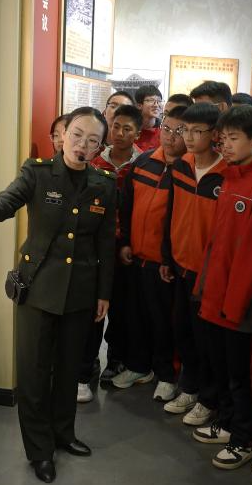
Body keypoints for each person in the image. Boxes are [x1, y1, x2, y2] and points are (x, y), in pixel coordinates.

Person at [0, 107, 116, 484]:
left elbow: (105, 242)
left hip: (80, 292)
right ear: (63, 135)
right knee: (34, 373)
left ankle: (64, 434)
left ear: (100, 147)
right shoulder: (37, 172)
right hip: (37, 289)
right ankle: (39, 450)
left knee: (68, 370)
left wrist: (104, 292)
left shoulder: (104, 183)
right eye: (77, 135)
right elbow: (8, 202)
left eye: (92, 140)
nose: (82, 145)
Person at [194, 105, 252, 470]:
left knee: (243, 376)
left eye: (233, 138)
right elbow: (219, 241)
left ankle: (244, 438)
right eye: (223, 138)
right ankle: (229, 422)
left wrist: (234, 302)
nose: (225, 145)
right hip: (217, 292)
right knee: (223, 369)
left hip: (241, 303)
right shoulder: (231, 175)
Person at [114, 106, 188, 400]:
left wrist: (169, 259)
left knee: (163, 322)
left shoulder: (188, 170)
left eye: (179, 131)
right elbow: (127, 206)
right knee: (135, 317)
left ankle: (167, 375)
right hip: (136, 256)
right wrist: (125, 242)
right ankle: (138, 366)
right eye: (166, 129)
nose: (170, 137)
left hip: (165, 264)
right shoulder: (144, 162)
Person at [160, 102, 225, 423]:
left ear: (215, 134)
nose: (188, 137)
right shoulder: (181, 166)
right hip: (180, 265)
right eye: (185, 130)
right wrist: (166, 256)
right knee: (182, 330)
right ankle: (189, 387)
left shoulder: (226, 174)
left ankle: (208, 399)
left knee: (207, 340)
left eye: (197, 131)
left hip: (208, 273)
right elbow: (170, 212)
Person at [90, 104, 144, 387]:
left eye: (127, 129)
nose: (120, 133)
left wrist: (128, 241)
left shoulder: (143, 164)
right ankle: (90, 360)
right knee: (95, 306)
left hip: (127, 247)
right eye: (116, 127)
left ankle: (116, 359)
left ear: (138, 133)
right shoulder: (95, 162)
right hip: (98, 246)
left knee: (122, 308)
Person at [134, 85, 163, 152]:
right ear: (139, 105)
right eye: (151, 100)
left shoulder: (163, 134)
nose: (156, 105)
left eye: (159, 101)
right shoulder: (131, 131)